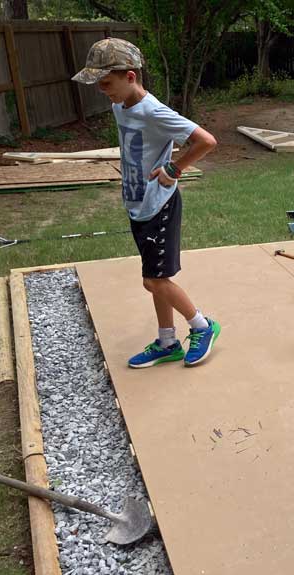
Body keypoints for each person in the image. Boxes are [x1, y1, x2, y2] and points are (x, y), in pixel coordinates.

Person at [72, 38, 220, 368]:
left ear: (130, 76)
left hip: (159, 205)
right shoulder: (119, 106)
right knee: (153, 279)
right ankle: (167, 342)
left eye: (106, 83)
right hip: (138, 204)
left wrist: (173, 167)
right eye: (98, 83)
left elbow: (205, 141)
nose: (101, 90)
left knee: (155, 280)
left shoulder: (153, 110)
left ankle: (202, 326)